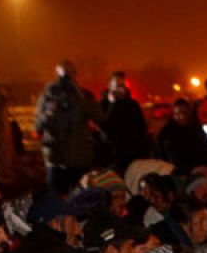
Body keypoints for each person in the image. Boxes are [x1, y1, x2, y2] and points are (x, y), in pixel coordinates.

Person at [35, 61, 98, 196]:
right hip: (72, 160)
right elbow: (101, 118)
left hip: (60, 159)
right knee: (79, 201)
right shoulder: (82, 96)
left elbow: (38, 126)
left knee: (60, 201)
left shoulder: (47, 96)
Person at [100, 71, 151, 175]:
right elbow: (106, 128)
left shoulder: (132, 105)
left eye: (123, 85)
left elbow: (141, 130)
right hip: (112, 158)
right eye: (118, 86)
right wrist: (113, 105)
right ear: (110, 86)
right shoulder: (104, 106)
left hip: (133, 156)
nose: (121, 89)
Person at [154, 97, 207, 173]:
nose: (181, 116)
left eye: (184, 112)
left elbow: (205, 150)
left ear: (189, 112)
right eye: (177, 113)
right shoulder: (166, 132)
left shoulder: (196, 129)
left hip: (196, 173)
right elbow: (159, 155)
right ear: (173, 114)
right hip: (173, 174)